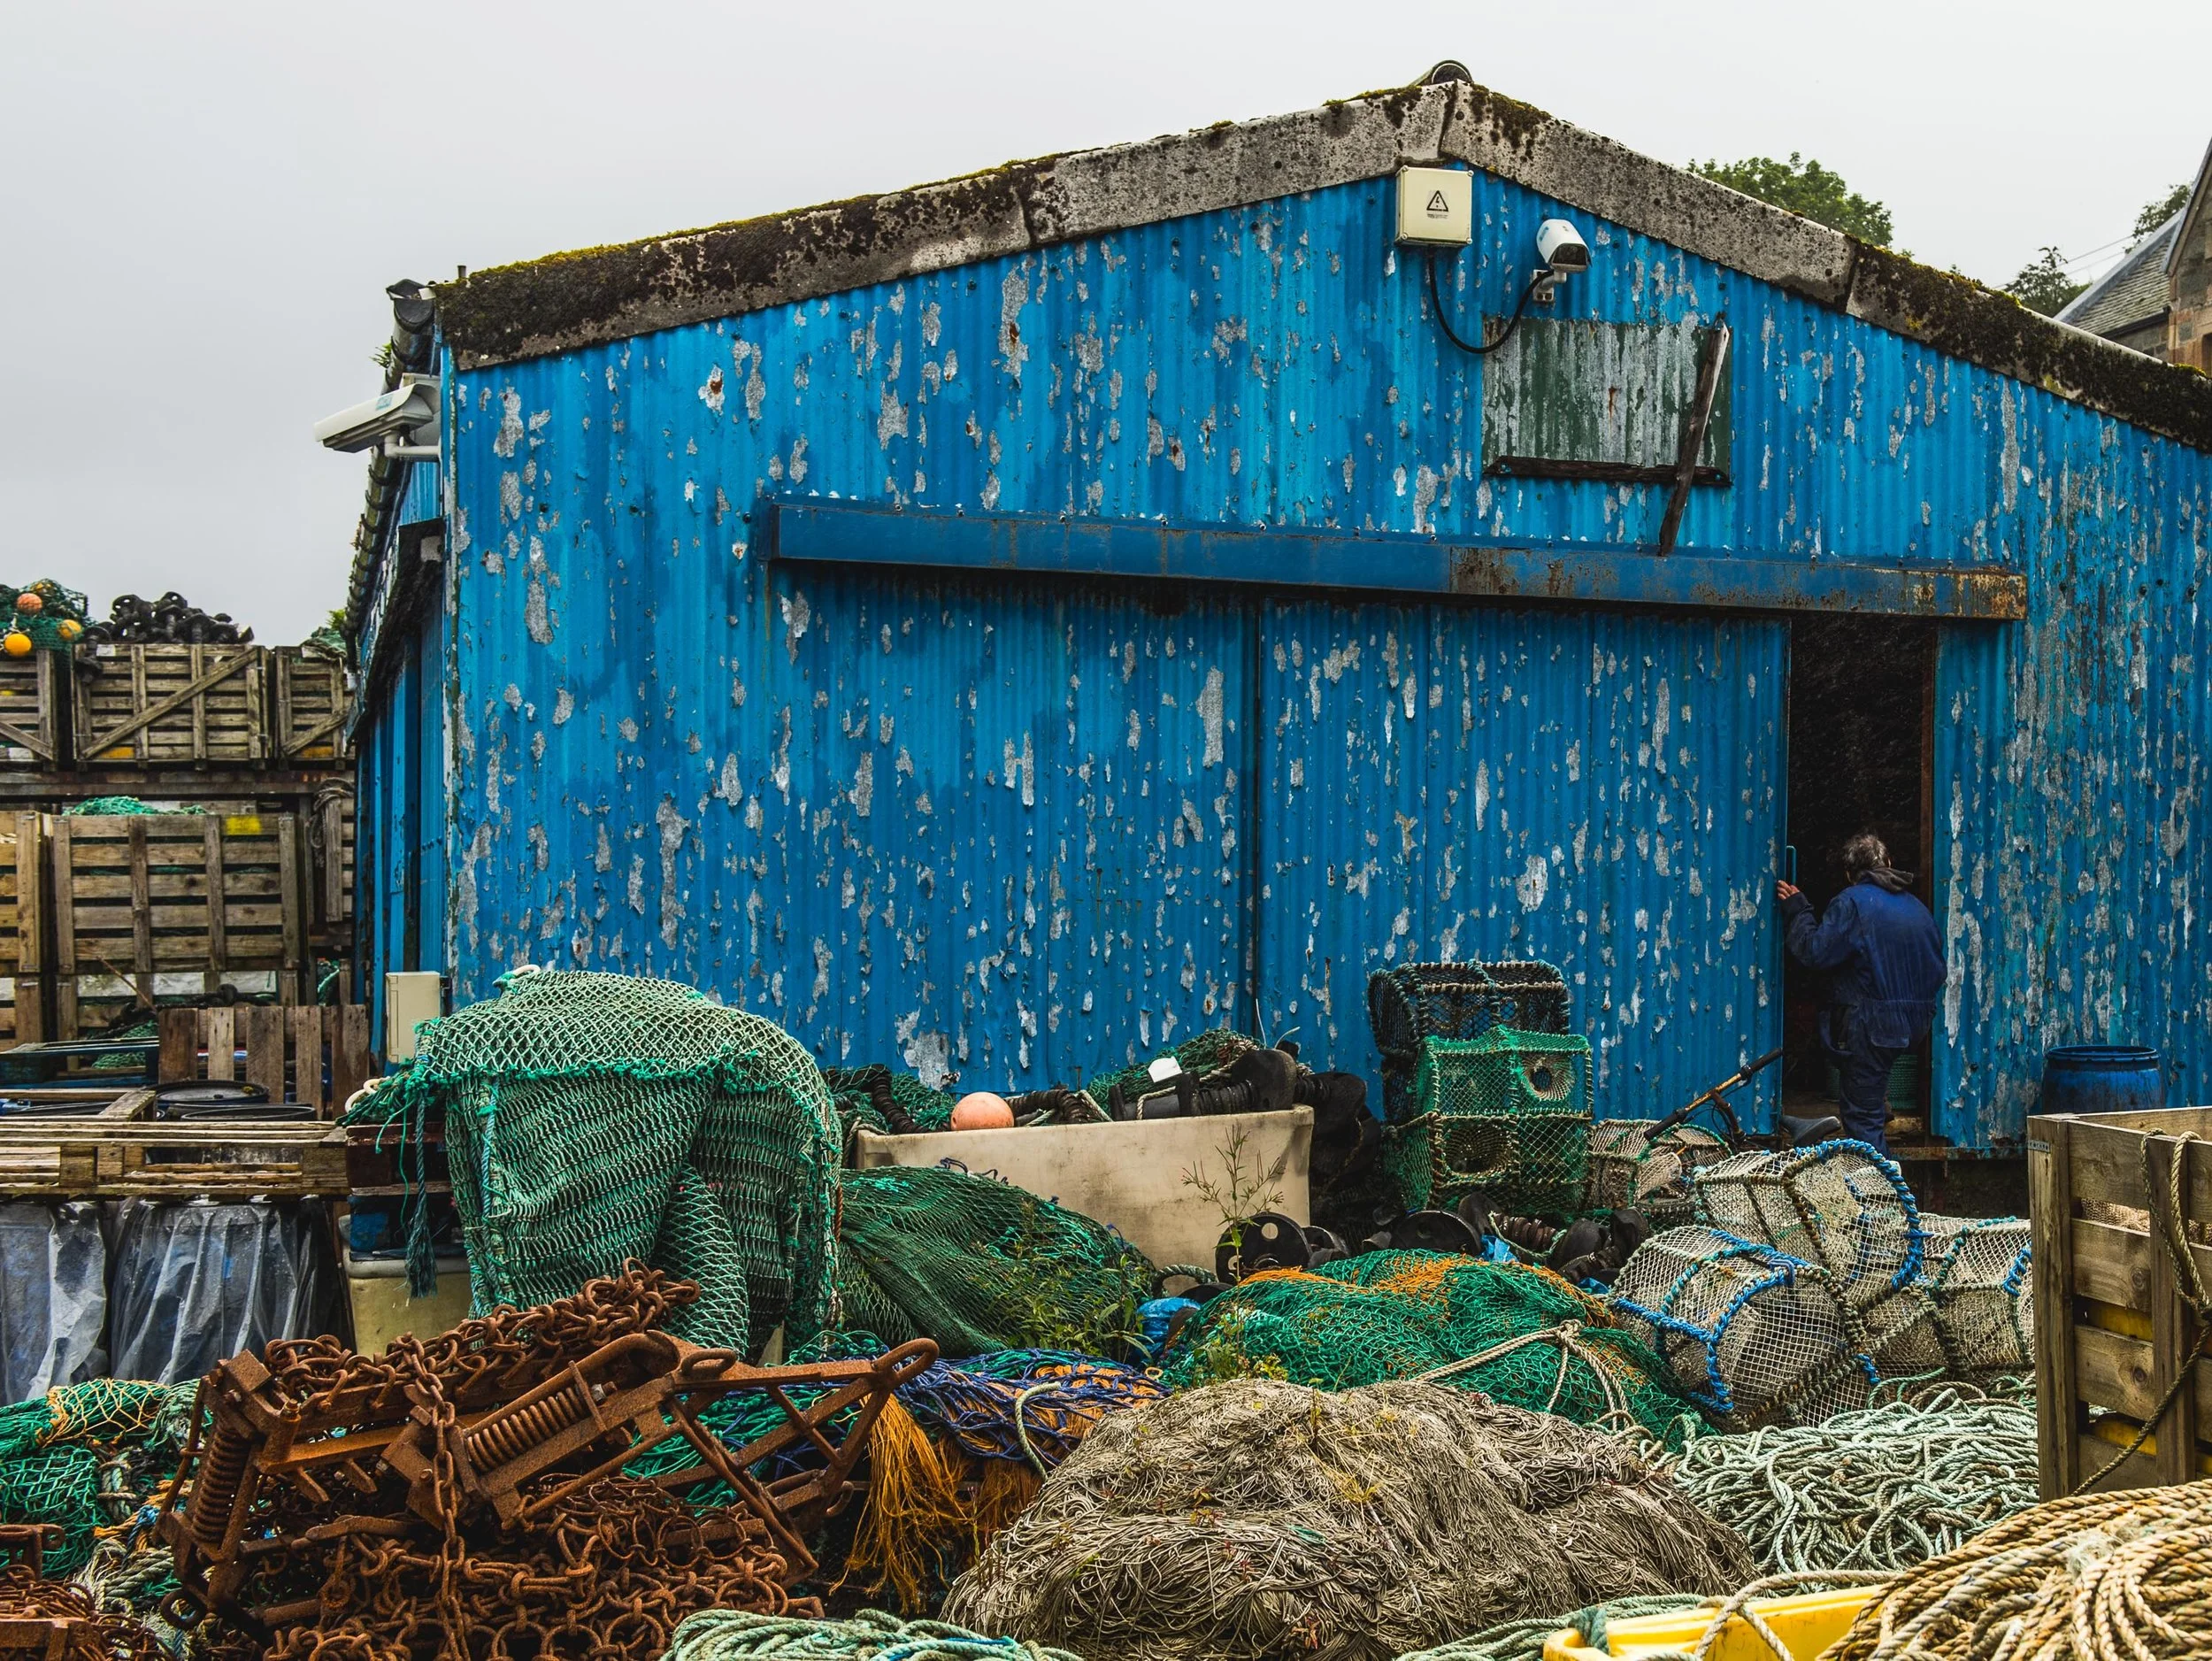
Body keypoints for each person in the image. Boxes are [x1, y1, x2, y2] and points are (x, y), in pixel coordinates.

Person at [1775, 833, 1946, 1156]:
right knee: (1871, 1086)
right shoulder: (1917, 908)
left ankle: (1879, 1197)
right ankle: (1878, 1105)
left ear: (1849, 874)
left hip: (1875, 1025)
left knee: (1861, 1120)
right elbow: (1937, 970)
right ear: (1888, 863)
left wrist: (1799, 911)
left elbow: (1815, 953)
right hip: (1915, 1024)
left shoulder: (1852, 902)